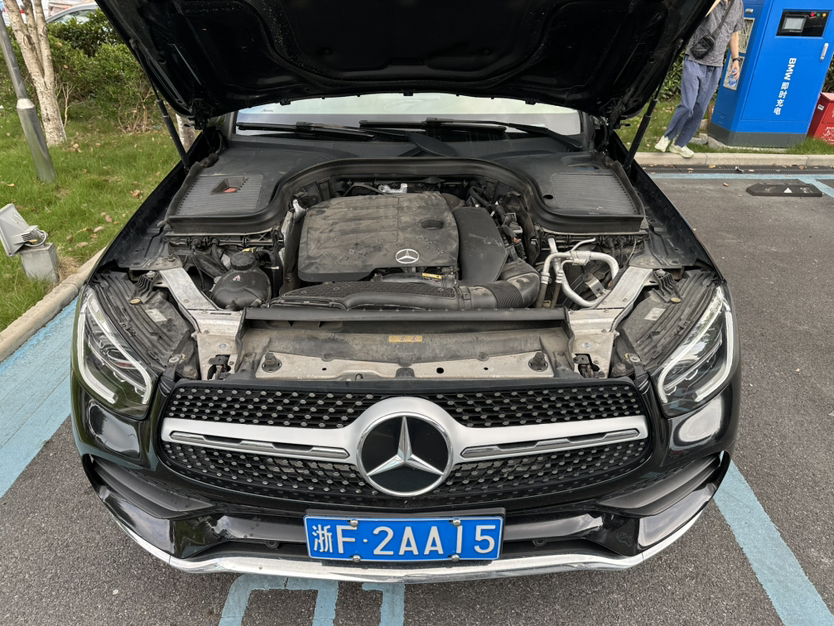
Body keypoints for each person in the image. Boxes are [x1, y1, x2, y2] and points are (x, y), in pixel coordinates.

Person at [655, 0, 744, 157]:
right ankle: (667, 137)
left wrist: (736, 60)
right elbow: (697, 18)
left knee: (700, 108)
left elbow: (734, 34)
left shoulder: (739, 4)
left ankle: (680, 144)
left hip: (716, 65)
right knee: (688, 105)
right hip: (695, 59)